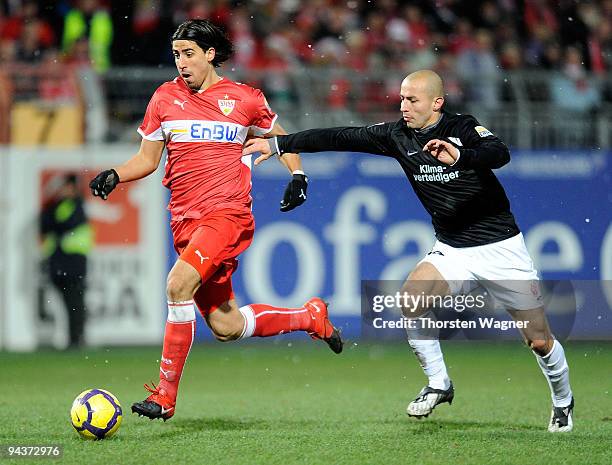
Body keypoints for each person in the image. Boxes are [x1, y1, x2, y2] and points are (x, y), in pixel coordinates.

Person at [243, 70, 575, 433]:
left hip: (501, 249)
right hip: (453, 250)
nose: (404, 106)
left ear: (437, 103)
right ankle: (439, 384)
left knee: (538, 339)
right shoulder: (396, 136)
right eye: (401, 98)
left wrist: (460, 156)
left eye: (412, 100)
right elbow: (339, 136)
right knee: (411, 300)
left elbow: (499, 153)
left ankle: (563, 402)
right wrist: (279, 144)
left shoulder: (462, 126)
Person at [89, 19, 342, 422]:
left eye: (188, 54)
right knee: (227, 326)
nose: (181, 63)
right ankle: (309, 317)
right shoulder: (164, 99)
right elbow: (147, 160)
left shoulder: (244, 99)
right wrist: (115, 174)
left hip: (226, 215)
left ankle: (165, 397)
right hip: (185, 223)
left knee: (177, 284)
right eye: (176, 55)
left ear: (210, 54)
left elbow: (281, 137)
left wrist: (297, 174)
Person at [40, 173, 93, 348]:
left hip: (74, 262)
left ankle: (76, 338)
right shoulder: (56, 206)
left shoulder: (78, 206)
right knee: (69, 302)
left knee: (75, 302)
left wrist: (54, 223)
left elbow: (64, 225)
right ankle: (74, 338)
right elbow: (45, 224)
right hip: (59, 261)